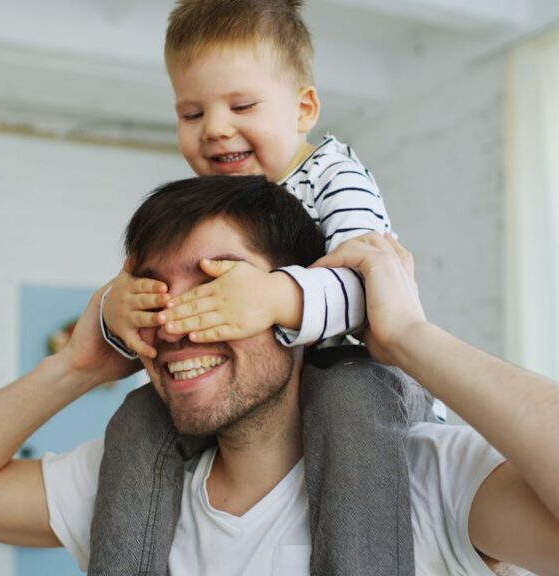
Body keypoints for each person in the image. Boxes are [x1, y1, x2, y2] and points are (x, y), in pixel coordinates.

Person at [0, 176, 559, 576]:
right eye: (155, 288)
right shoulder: (124, 483)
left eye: (217, 285)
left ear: (291, 310)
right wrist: (80, 361)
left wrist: (408, 338)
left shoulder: (428, 484)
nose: (179, 317)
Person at [95, 1, 421, 572]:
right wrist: (115, 312)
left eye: (241, 105)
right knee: (136, 418)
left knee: (349, 403)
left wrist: (275, 296)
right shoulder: (215, 204)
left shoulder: (334, 177)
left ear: (304, 108)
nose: (216, 127)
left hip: (365, 379)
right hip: (273, 391)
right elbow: (170, 313)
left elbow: (374, 286)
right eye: (192, 113)